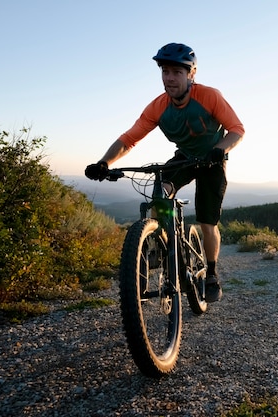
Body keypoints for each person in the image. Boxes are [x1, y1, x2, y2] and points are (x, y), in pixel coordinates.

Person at [85, 42, 245, 303]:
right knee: (161, 189)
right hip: (184, 158)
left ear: (191, 74)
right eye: (165, 72)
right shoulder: (158, 107)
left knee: (207, 222)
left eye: (177, 73)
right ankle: (160, 243)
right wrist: (104, 163)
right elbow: (128, 139)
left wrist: (219, 149)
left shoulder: (210, 96)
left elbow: (237, 129)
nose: (169, 78)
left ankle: (212, 273)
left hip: (212, 159)